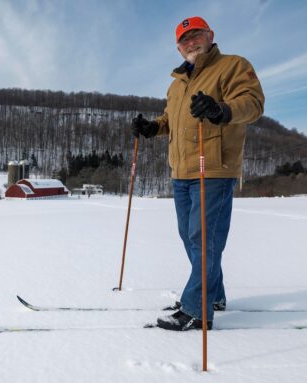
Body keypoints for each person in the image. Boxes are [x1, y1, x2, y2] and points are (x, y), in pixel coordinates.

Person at [131, 16, 264, 331]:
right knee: (191, 239)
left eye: (197, 35)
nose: (191, 43)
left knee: (203, 239)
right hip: (181, 172)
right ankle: (213, 294)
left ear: (210, 35)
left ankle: (196, 309)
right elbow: (171, 119)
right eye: (185, 40)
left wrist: (222, 110)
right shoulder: (176, 84)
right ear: (178, 48)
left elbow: (252, 103)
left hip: (213, 167)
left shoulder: (232, 65)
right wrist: (154, 127)